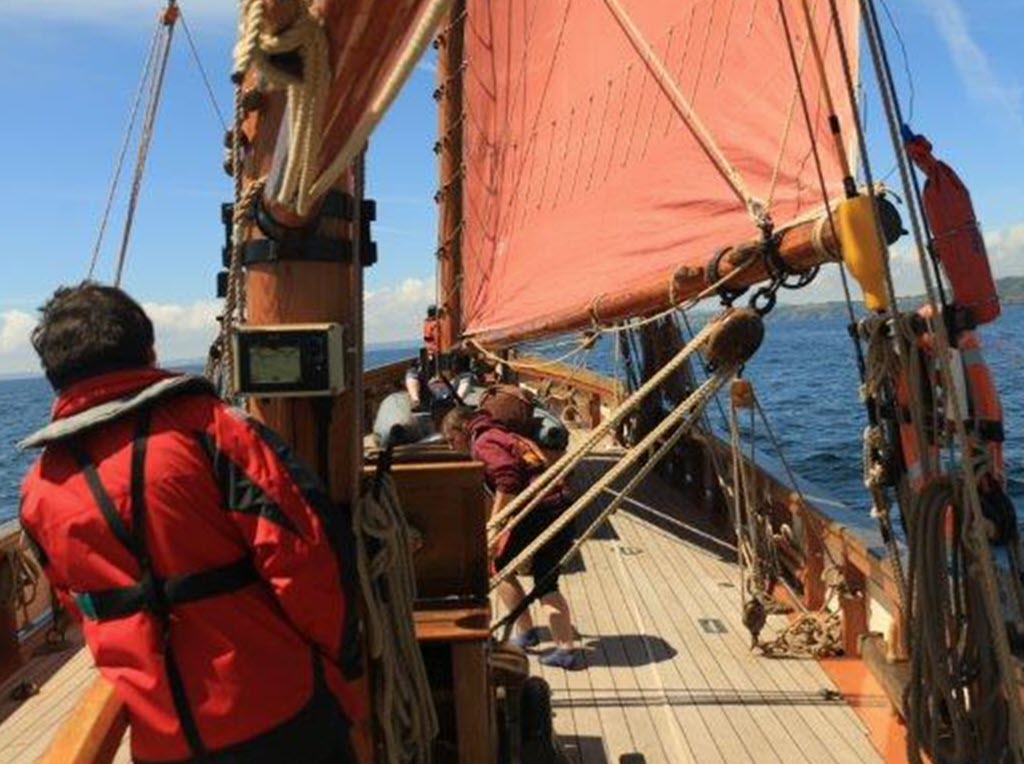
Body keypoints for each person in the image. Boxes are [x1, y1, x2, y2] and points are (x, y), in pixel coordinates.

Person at [18, 282, 362, 763]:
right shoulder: (213, 430)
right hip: (280, 712)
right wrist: (344, 660)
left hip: (164, 739)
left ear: (55, 375)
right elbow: (303, 557)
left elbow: (83, 609)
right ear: (148, 350)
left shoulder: (38, 490)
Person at [442, 405, 582, 670]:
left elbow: (507, 481)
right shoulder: (503, 434)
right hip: (557, 505)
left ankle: (555, 645)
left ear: (462, 429)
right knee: (536, 576)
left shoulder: (483, 442)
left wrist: (495, 526)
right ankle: (538, 635)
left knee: (504, 569)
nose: (452, 447)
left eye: (451, 440)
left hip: (542, 512)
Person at [405, 305, 440, 411]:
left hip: (431, 359)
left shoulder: (429, 324)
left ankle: (415, 400)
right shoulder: (437, 325)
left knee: (412, 373)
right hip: (435, 360)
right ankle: (416, 400)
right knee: (413, 373)